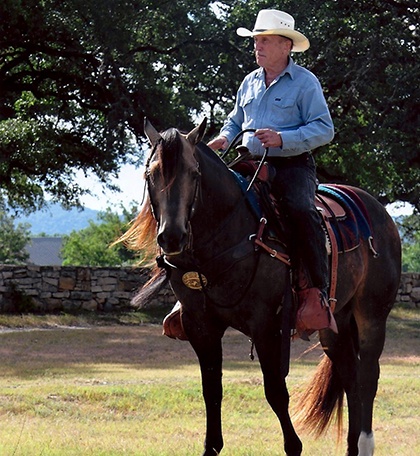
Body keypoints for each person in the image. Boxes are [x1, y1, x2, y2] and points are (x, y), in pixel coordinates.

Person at [208, 9, 337, 337]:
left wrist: (283, 139)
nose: (257, 46)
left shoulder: (305, 82)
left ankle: (316, 293)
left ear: (285, 46)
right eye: (255, 40)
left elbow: (324, 129)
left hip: (291, 165)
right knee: (209, 202)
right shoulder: (249, 81)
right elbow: (236, 121)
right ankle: (194, 293)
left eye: (264, 40)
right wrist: (224, 138)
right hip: (247, 161)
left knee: (301, 209)